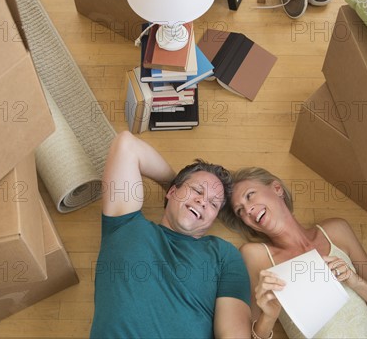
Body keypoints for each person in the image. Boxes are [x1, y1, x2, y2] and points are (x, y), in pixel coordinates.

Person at [90, 131, 251, 338]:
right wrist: (171, 184)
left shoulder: (224, 255)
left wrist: (184, 195)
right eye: (197, 190)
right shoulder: (125, 222)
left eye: (213, 204)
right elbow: (127, 145)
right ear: (172, 192)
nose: (203, 201)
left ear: (213, 219)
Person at [218, 167, 367, 339]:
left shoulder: (336, 231)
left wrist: (355, 281)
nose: (248, 210)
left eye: (250, 195)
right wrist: (269, 316)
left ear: (277, 189)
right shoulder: (255, 256)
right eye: (240, 211)